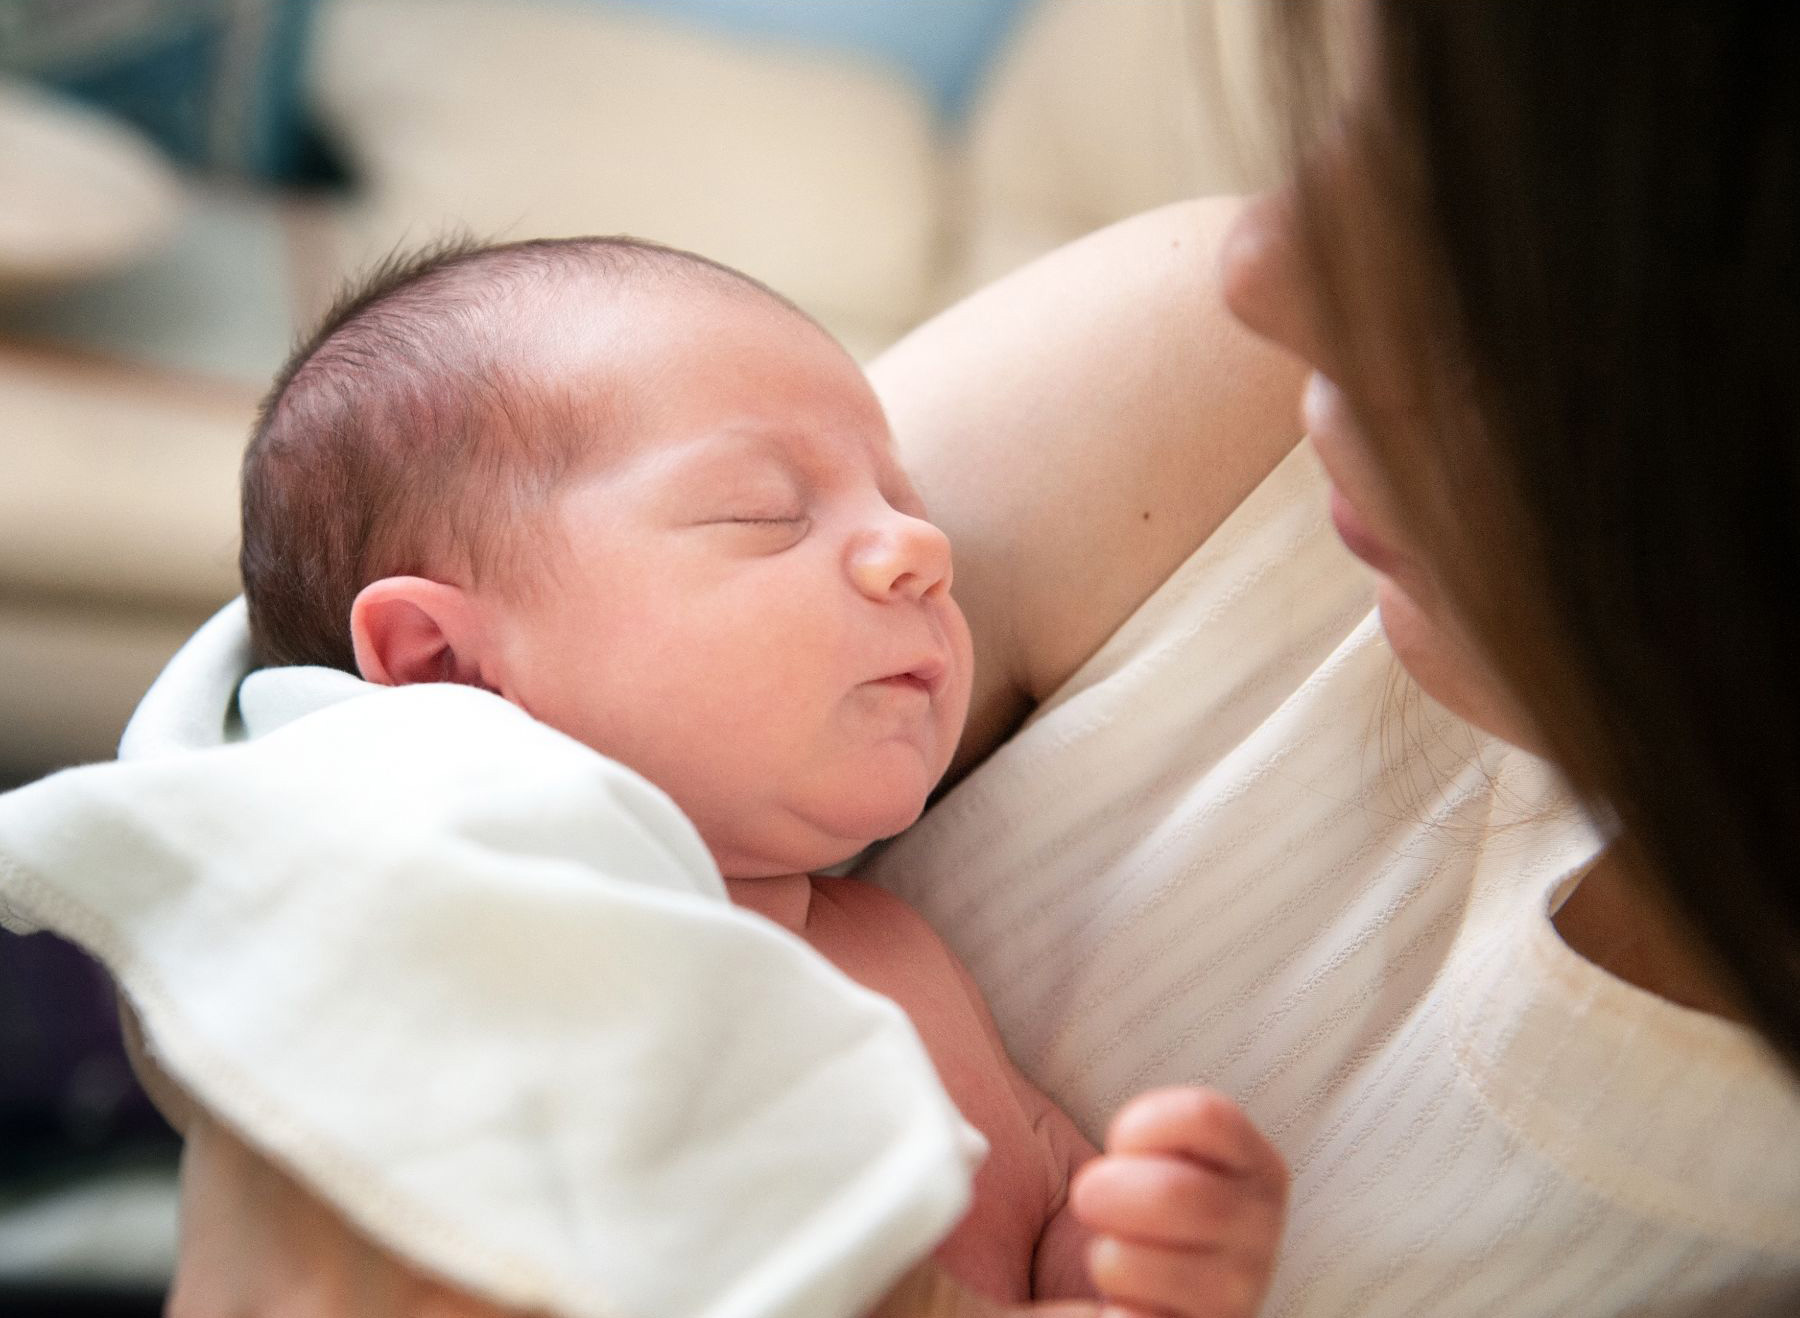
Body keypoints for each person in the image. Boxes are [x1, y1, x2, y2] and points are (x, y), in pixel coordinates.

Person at [139, 2, 1800, 1314]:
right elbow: (256, 796)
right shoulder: (1216, 403)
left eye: (1484, 209)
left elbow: (1028, 1230)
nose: (1264, 264)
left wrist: (1131, 1253)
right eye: (766, 513)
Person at [231, 233, 1289, 1316]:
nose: (918, 548)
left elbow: (1046, 1194)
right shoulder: (492, 981)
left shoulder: (898, 951)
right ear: (446, 665)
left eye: (901, 498)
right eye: (766, 513)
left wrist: (1133, 1249)